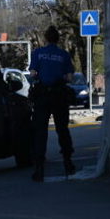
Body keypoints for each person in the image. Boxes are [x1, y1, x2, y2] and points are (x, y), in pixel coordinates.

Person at [28, 25, 75, 182]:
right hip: (59, 95)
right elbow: (69, 77)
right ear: (58, 39)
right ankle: (68, 163)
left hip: (42, 95)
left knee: (40, 131)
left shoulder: (38, 53)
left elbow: (33, 74)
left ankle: (39, 168)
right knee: (62, 129)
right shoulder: (64, 55)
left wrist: (41, 75)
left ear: (46, 38)